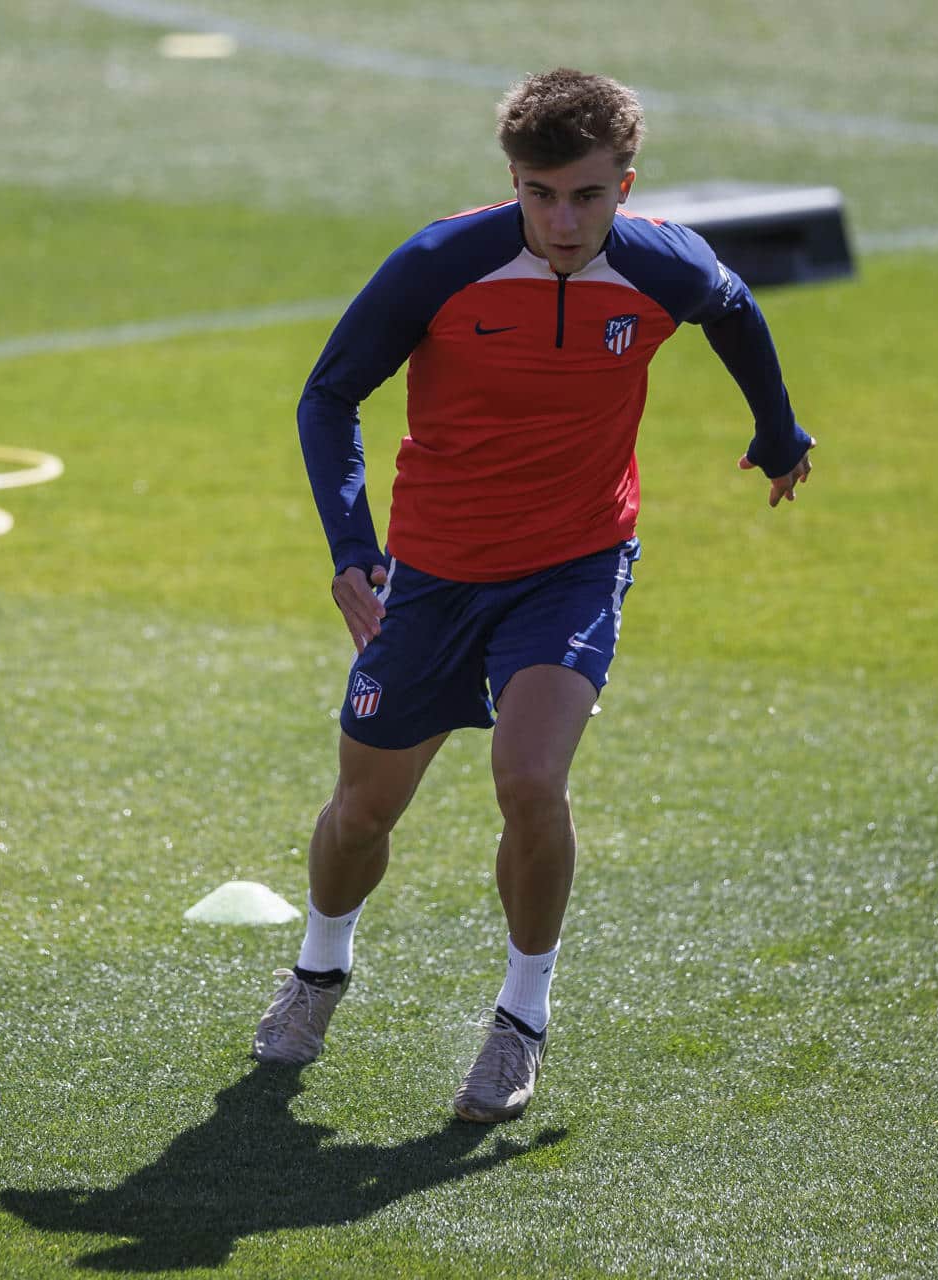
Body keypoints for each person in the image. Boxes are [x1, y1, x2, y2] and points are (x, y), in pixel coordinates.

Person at [252, 68, 815, 1123]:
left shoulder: (662, 265)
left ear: (626, 185)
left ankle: (521, 1018)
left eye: (588, 196)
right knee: (366, 807)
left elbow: (734, 310)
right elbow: (329, 393)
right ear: (513, 181)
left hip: (573, 563)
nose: (562, 220)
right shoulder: (440, 263)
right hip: (428, 572)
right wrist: (349, 547)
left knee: (530, 779)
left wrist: (778, 433)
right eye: (539, 192)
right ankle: (320, 967)